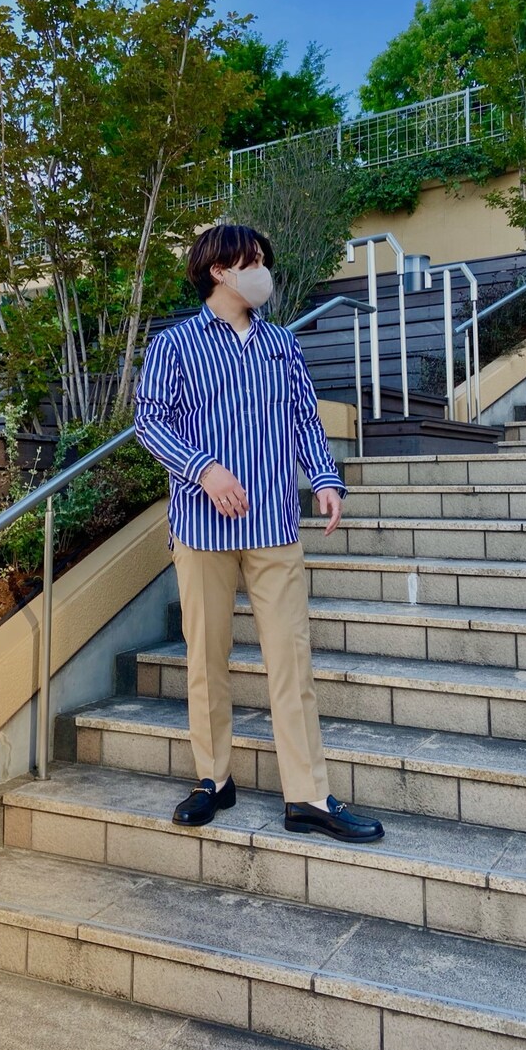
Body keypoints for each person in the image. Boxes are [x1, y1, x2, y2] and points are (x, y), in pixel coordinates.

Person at [135, 224, 383, 843]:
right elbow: (150, 422)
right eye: (252, 261)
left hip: (274, 522)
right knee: (205, 658)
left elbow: (304, 419)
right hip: (202, 526)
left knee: (290, 659)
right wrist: (203, 469)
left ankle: (308, 795)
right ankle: (213, 780)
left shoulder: (281, 343)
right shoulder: (175, 344)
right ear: (219, 270)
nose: (262, 271)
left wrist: (324, 478)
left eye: (263, 261)